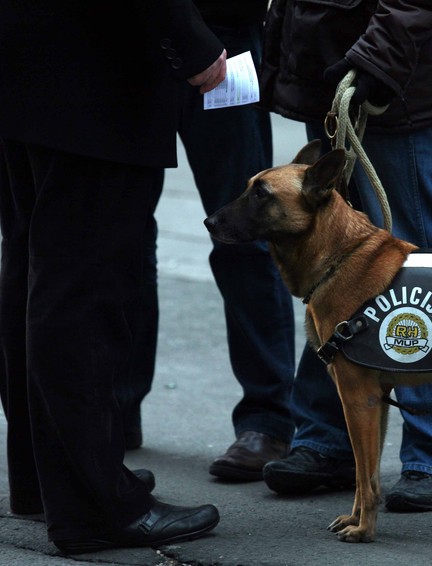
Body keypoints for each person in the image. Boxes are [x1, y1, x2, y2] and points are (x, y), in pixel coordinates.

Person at [0, 0, 227, 553]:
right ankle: (93, 507)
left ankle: (51, 483)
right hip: (92, 71)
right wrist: (191, 39)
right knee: (83, 292)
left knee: (38, 275)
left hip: (31, 55)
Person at [258, 0, 432, 512]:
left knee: (419, 268)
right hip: (335, 66)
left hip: (394, 78)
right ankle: (330, 442)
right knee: (329, 266)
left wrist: (377, 60)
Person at [116, 0, 296, 479]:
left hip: (222, 40)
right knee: (120, 236)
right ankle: (117, 404)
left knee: (246, 234)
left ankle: (269, 419)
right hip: (128, 40)